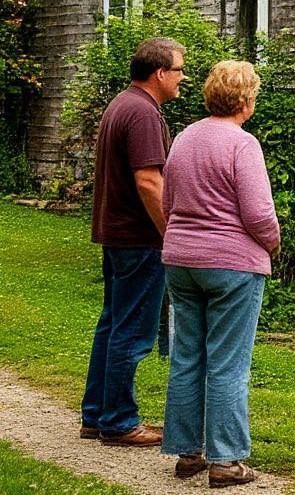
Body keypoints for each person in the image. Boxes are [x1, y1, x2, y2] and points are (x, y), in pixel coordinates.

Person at [160, 60, 280, 488]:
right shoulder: (242, 143)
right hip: (231, 263)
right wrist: (272, 243)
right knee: (228, 363)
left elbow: (167, 203)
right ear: (246, 101)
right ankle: (226, 462)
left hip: (180, 259)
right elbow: (258, 212)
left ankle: (187, 452)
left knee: (187, 355)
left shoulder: (185, 138)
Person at [81, 37, 186, 447]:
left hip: (117, 233)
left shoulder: (122, 103)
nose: (182, 79)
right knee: (133, 331)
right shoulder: (143, 113)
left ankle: (96, 414)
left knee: (111, 324)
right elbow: (148, 179)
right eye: (178, 71)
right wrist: (170, 233)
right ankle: (120, 421)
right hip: (139, 237)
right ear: (160, 73)